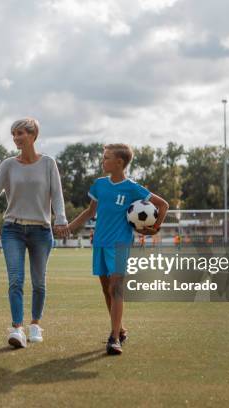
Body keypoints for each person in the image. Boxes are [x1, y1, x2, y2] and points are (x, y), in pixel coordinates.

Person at [0, 118, 69, 349]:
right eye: (13, 134)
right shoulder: (8, 165)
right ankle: (18, 328)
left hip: (41, 231)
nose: (16, 138)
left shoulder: (49, 163)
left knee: (39, 284)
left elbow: (57, 195)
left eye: (20, 133)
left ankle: (35, 324)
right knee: (15, 281)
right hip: (13, 229)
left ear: (33, 135)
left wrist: (60, 220)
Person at [68, 144, 169, 355]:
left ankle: (114, 339)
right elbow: (89, 212)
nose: (102, 161)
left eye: (106, 158)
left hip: (120, 245)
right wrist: (69, 228)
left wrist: (154, 228)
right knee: (106, 290)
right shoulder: (99, 185)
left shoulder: (132, 188)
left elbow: (163, 205)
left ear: (119, 162)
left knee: (116, 288)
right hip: (100, 244)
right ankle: (120, 329)